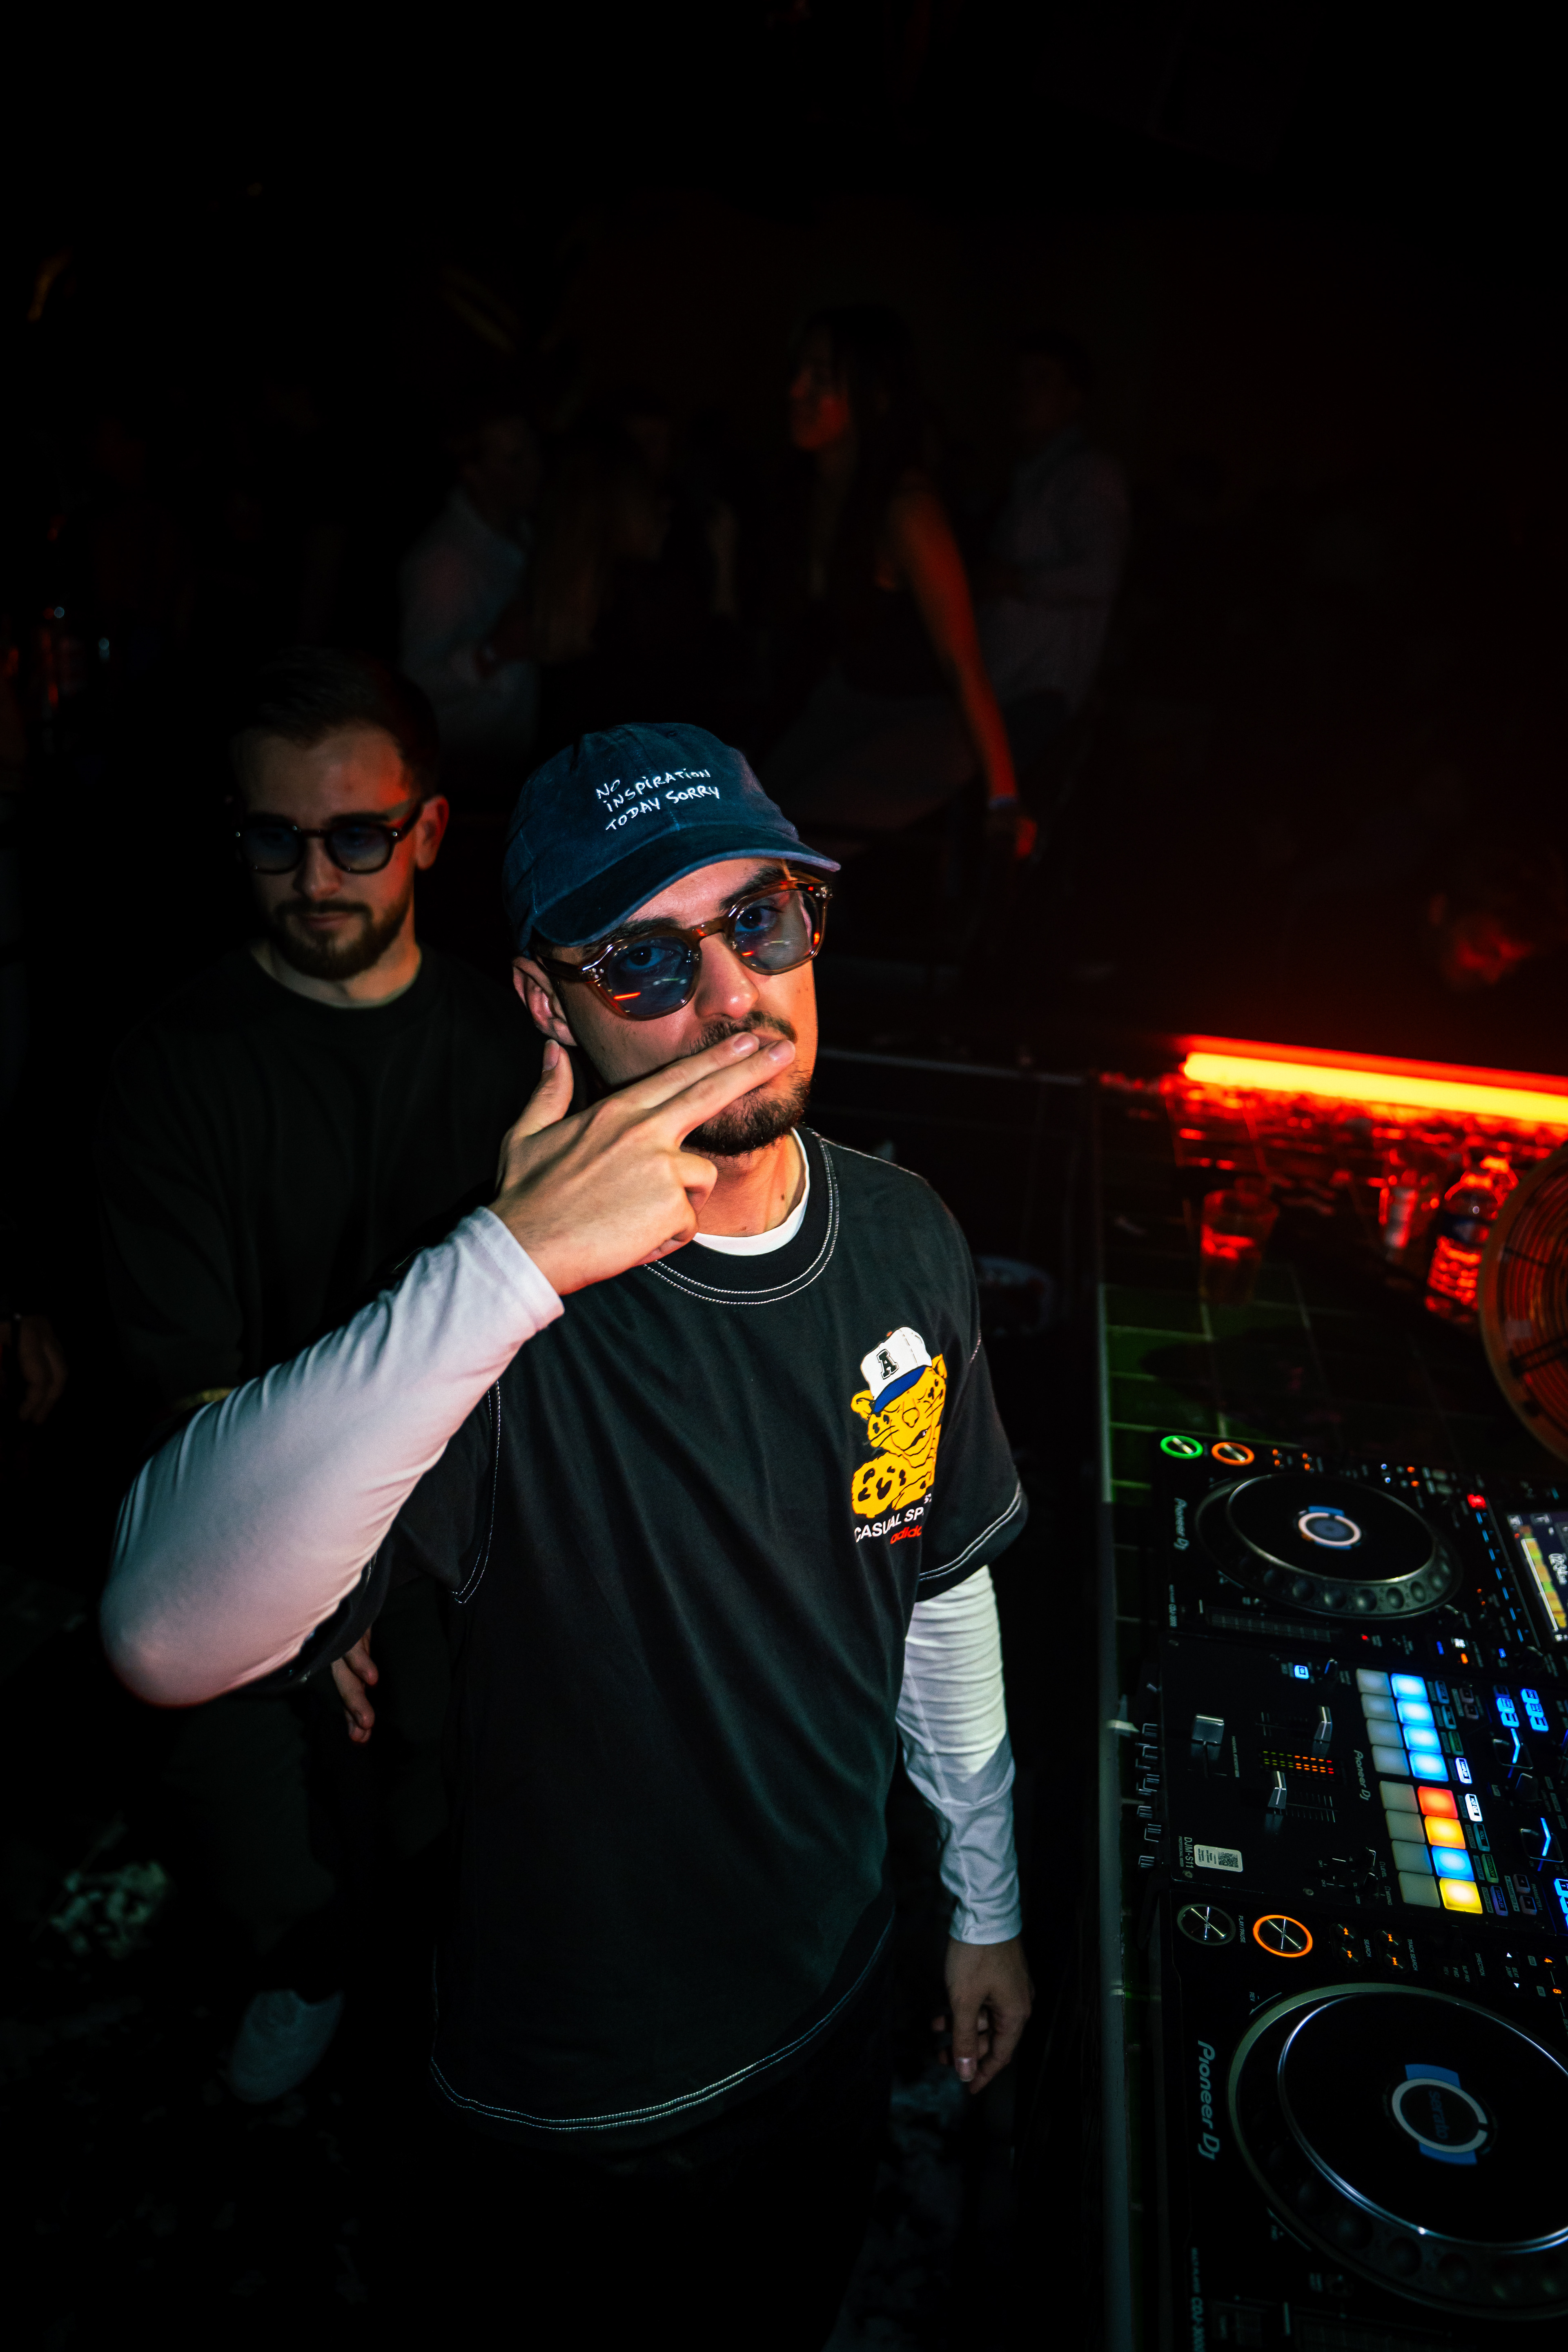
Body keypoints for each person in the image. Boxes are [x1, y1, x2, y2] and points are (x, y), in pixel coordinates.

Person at [102, 722, 1033, 2346]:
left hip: (833, 2004)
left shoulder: (904, 1235)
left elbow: (937, 1587)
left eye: (761, 921)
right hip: (575, 2100)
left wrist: (988, 1900)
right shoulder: (494, 1317)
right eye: (643, 961)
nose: (733, 997)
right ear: (550, 1009)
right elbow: (162, 1632)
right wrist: (511, 1263)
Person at [95, 648, 539, 2103]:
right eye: (275, 839)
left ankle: (434, 1979)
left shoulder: (510, 1053)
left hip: (455, 1505)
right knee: (207, 1715)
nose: (315, 877)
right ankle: (303, 1960)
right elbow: (186, 1384)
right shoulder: (172, 1066)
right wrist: (307, 1582)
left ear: (427, 829)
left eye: (357, 836)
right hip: (254, 1493)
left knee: (467, 1754)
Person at [762, 306, 1026, 852]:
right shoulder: (810, 490)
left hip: (924, 727)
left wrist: (1004, 801)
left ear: (875, 395)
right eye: (797, 372)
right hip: (851, 699)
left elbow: (963, 661)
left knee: (787, 853)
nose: (796, 391)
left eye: (822, 379)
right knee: (745, 825)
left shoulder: (908, 510)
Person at [973, 332, 1128, 774]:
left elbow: (1099, 575)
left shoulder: (1086, 476)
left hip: (1035, 693)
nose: (1024, 393)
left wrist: (1011, 580)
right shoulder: (1034, 477)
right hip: (1004, 689)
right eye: (1020, 380)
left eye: (1042, 381)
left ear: (1073, 399)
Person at [399, 400, 542, 797]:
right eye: (514, 459)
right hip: (464, 778)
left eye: (533, 452)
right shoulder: (444, 563)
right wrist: (491, 653)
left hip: (510, 766)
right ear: (472, 471)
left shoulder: (525, 536)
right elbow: (415, 684)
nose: (534, 469)